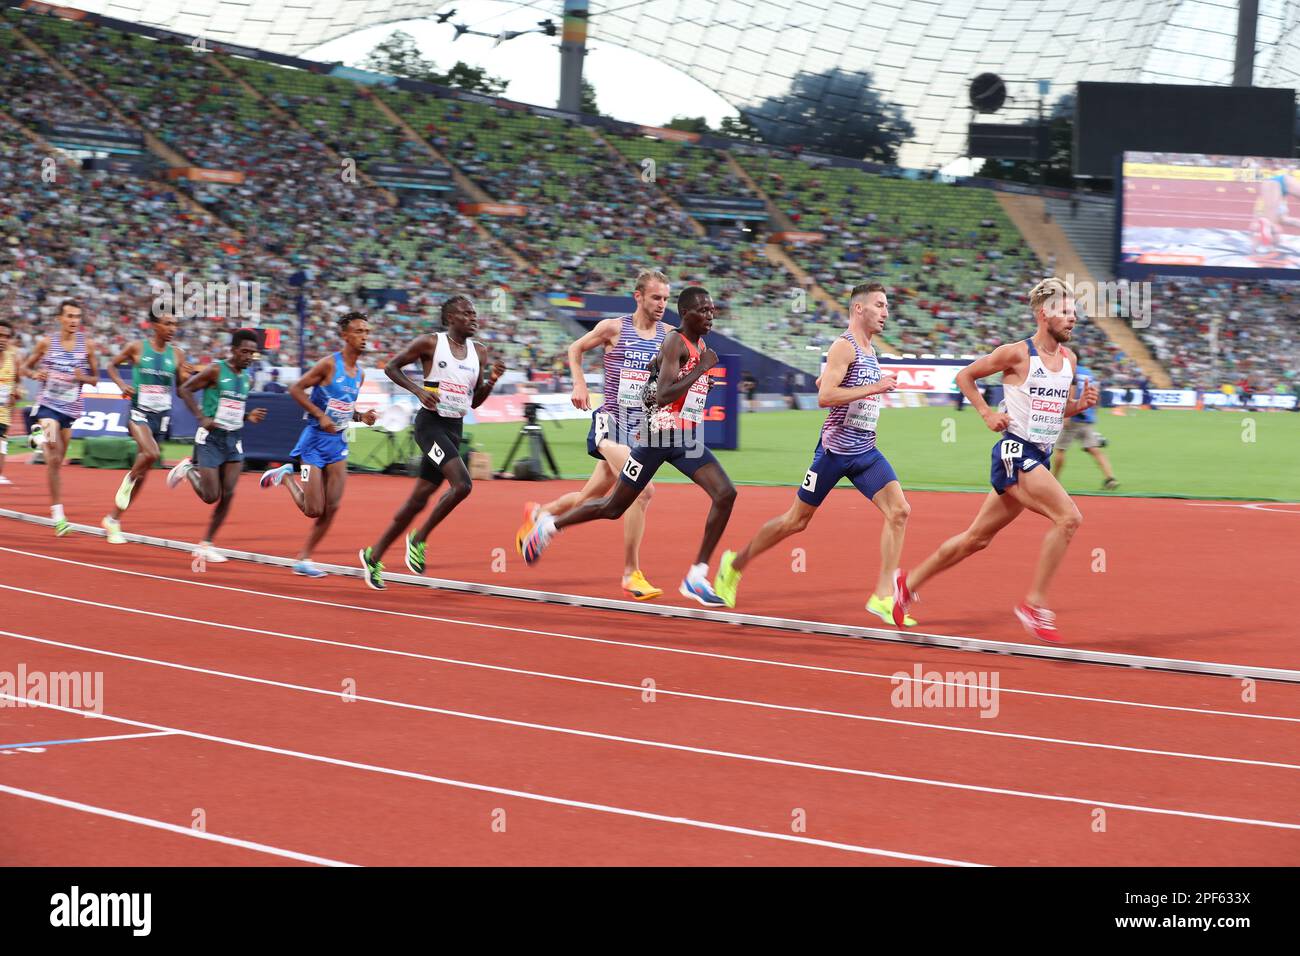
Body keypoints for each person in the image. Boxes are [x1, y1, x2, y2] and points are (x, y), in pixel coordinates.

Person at [892, 278, 1100, 644]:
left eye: (1074, 312)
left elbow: (1053, 411)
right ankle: (1034, 604)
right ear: (1043, 314)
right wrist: (987, 413)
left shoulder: (1070, 360)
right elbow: (964, 376)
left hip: (1039, 456)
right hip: (1014, 452)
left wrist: (1079, 406)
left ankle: (906, 584)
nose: (1073, 319)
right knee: (1069, 518)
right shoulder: (1016, 353)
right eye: (1065, 312)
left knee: (976, 539)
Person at [518, 286, 737, 607]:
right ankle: (550, 526)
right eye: (704, 310)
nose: (710, 316)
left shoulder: (698, 344)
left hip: (683, 438)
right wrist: (703, 369)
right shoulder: (675, 340)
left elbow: (662, 387)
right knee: (613, 506)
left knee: (726, 494)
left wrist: (701, 380)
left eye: (712, 310)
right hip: (655, 439)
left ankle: (696, 575)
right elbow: (663, 395)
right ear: (686, 313)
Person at [713, 282, 914, 625]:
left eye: (886, 306)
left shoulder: (869, 348)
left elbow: (829, 385)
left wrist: (839, 382)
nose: (886, 312)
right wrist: (876, 386)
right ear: (859, 309)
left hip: (865, 450)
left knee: (899, 511)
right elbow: (825, 398)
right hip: (834, 451)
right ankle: (733, 566)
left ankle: (882, 595)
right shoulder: (844, 346)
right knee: (796, 521)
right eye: (879, 305)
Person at [520, 269, 672, 600]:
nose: (662, 304)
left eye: (665, 298)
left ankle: (541, 515)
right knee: (642, 491)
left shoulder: (669, 335)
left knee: (590, 498)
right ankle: (631, 573)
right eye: (656, 297)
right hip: (610, 424)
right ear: (639, 297)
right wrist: (579, 383)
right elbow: (575, 349)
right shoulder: (614, 328)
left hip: (638, 431)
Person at [358, 296, 505, 590]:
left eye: (475, 314)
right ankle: (419, 537)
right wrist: (417, 391)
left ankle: (373, 556)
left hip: (454, 428)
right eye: (467, 313)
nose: (474, 318)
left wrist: (491, 382)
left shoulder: (480, 353)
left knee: (417, 502)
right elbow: (391, 367)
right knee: (462, 485)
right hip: (430, 426)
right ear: (451, 318)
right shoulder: (430, 343)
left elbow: (472, 401)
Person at [259, 313, 378, 577]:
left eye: (367, 331)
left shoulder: (359, 374)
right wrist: (320, 414)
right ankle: (286, 478)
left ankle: (304, 559)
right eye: (358, 331)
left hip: (338, 443)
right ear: (345, 336)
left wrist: (361, 417)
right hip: (314, 441)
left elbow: (345, 408)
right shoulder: (328, 365)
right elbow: (296, 390)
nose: (364, 337)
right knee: (313, 509)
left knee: (332, 507)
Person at [165, 329, 267, 562]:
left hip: (233, 439)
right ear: (233, 350)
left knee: (229, 493)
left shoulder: (246, 378)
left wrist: (248, 416)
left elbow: (234, 410)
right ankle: (187, 469)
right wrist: (201, 417)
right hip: (210, 439)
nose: (249, 356)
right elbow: (184, 389)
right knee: (211, 496)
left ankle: (206, 544)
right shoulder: (215, 370)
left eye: (252, 353)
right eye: (244, 351)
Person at [101, 310, 193, 543]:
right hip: (138, 411)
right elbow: (111, 365)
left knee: (145, 470)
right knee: (150, 454)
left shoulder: (178, 354)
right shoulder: (137, 347)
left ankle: (113, 520)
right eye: (167, 323)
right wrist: (122, 384)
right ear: (154, 325)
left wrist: (190, 377)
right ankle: (129, 478)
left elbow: (182, 391)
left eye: (175, 324)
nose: (172, 328)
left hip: (160, 417)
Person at [21, 301, 101, 535]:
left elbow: (96, 378)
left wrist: (82, 377)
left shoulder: (87, 345)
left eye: (77, 316)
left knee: (56, 462)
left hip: (70, 409)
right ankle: (59, 516)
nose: (74, 320)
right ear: (60, 318)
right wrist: (35, 373)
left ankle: (37, 439)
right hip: (48, 405)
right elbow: (25, 368)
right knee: (53, 448)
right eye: (69, 316)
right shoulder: (47, 342)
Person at [1051, 354, 1119, 491]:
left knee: (1060, 449)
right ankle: (1110, 477)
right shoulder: (1088, 373)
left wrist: (1065, 415)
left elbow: (1068, 392)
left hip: (1072, 415)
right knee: (1094, 449)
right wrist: (1093, 413)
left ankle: (1053, 481)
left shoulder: (1068, 371)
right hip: (1087, 416)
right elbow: (1096, 394)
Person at [0, 320, 22, 486]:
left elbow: (17, 382)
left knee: (1, 445)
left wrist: (16, 392)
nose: (3, 339)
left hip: (3, 411)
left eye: (6, 336)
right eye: (0, 335)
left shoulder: (13, 358)